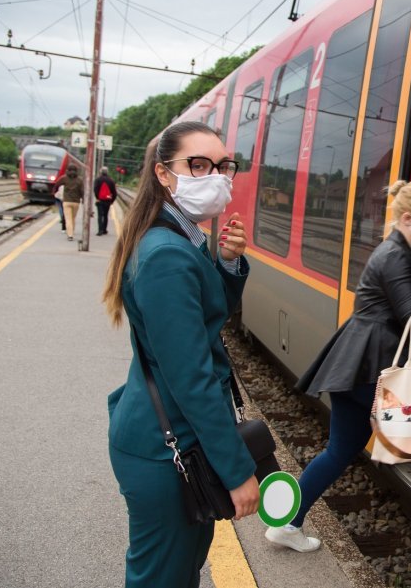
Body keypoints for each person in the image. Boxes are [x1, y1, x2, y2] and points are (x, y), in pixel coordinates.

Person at [266, 180, 411, 553]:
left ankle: (287, 524)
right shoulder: (396, 258)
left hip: (354, 363)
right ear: (407, 218)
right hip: (371, 365)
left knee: (340, 449)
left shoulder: (398, 254)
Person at [102, 121, 259, 588]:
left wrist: (227, 264)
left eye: (222, 165)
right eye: (198, 165)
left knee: (178, 572)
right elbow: (192, 377)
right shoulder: (167, 253)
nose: (216, 175)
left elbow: (204, 318)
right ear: (164, 174)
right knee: (162, 578)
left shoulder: (179, 238)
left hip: (173, 440)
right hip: (165, 448)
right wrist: (237, 472)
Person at [53, 164, 83, 241]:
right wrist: (83, 199)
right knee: (73, 218)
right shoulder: (80, 180)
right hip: (76, 202)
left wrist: (54, 192)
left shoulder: (64, 178)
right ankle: (72, 231)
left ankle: (70, 235)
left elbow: (57, 185)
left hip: (66, 201)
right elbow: (82, 191)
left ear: (68, 170)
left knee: (68, 218)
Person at [93, 166, 118, 236]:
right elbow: (114, 193)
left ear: (101, 172)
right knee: (106, 215)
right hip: (107, 201)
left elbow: (95, 190)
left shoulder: (97, 180)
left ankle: (100, 230)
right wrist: (112, 201)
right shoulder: (111, 180)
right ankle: (104, 230)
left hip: (100, 200)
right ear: (107, 172)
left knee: (100, 215)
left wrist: (97, 197)